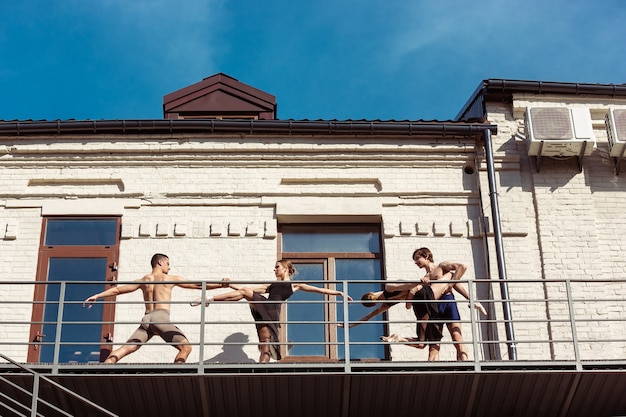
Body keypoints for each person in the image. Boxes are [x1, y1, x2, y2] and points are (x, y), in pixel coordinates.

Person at [190, 259, 352, 363]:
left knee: (266, 339)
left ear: (286, 269)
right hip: (264, 307)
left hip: (273, 309)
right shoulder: (270, 285)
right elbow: (246, 290)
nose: (274, 270)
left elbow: (318, 290)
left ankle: (208, 300)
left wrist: (338, 293)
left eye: (277, 267)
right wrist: (229, 284)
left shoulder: (295, 285)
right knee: (263, 341)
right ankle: (263, 365)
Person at [83, 253, 225, 364]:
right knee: (186, 348)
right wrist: (220, 285)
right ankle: (177, 376)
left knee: (127, 348)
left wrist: (97, 295)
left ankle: (107, 365)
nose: (169, 268)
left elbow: (118, 290)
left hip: (147, 319)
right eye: (168, 264)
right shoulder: (169, 279)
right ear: (160, 262)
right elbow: (198, 285)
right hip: (160, 318)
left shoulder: (143, 280)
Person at [382, 247, 486, 361]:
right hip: (434, 308)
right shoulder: (424, 278)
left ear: (426, 256)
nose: (416, 262)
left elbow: (460, 271)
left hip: (448, 303)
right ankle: (433, 370)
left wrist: (468, 297)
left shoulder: (441, 266)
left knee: (457, 337)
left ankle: (465, 365)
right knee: (433, 346)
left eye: (417, 258)